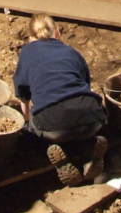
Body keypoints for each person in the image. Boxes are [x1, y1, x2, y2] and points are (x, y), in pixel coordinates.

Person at [13, 14, 108, 186]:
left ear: (31, 38)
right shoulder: (73, 52)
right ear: (57, 32)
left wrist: (28, 123)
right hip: (92, 117)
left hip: (53, 125)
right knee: (78, 126)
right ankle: (89, 149)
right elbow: (85, 85)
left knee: (38, 131)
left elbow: (22, 95)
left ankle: (59, 154)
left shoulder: (26, 53)